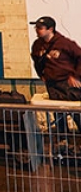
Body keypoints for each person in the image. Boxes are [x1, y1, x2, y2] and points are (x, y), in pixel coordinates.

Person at [30, 16, 81, 146]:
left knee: (76, 112)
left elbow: (79, 57)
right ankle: (63, 140)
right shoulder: (37, 45)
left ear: (50, 29)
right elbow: (36, 60)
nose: (37, 30)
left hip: (67, 83)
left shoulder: (64, 43)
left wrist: (75, 76)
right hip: (52, 83)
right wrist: (41, 74)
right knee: (58, 113)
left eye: (40, 28)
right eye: (36, 27)